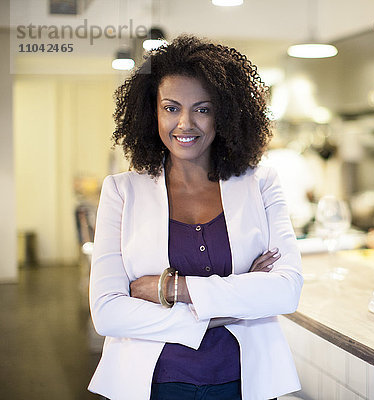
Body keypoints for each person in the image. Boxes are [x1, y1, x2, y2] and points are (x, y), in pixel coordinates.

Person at [88, 35, 303, 400]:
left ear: (225, 114)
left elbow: (286, 290)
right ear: (151, 112)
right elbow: (108, 313)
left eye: (202, 109)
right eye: (171, 108)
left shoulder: (260, 182)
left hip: (244, 380)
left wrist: (170, 289)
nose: (185, 123)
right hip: (153, 383)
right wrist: (233, 303)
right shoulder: (122, 191)